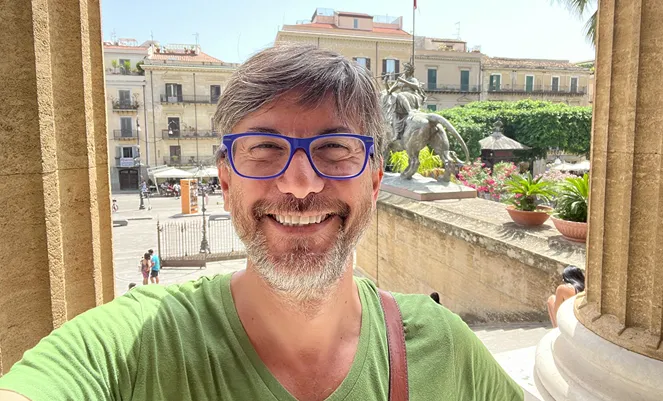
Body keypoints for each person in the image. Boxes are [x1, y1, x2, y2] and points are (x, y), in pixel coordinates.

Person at [0, 44, 523, 401]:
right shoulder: (136, 344)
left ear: (374, 180)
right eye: (265, 148)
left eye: (335, 147)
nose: (300, 183)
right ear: (226, 180)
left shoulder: (442, 347)